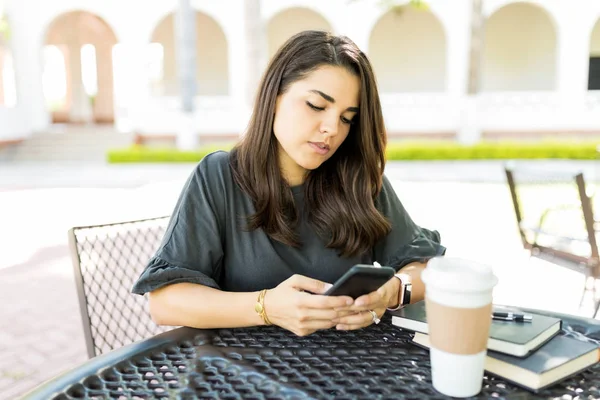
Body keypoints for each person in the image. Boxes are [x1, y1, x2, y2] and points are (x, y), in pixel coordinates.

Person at [132, 30, 445, 337]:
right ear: (275, 96)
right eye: (316, 105)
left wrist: (394, 291)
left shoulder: (357, 179)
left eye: (347, 118)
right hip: (245, 374)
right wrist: (267, 307)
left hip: (350, 371)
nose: (331, 129)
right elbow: (165, 302)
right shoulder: (220, 176)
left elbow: (426, 270)